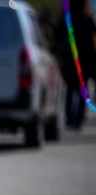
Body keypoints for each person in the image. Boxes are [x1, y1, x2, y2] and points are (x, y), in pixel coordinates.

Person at [55, 0, 96, 129]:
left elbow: (57, 37)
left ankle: (69, 117)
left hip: (70, 60)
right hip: (85, 60)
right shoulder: (87, 19)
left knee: (70, 89)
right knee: (82, 90)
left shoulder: (67, 19)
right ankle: (78, 118)